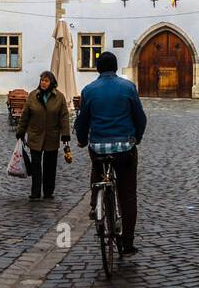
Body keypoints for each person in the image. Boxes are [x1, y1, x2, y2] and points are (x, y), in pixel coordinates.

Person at [73, 51, 146, 255]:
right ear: (115, 67)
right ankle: (127, 243)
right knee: (128, 194)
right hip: (124, 148)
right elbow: (140, 117)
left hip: (98, 147)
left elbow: (82, 120)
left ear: (98, 68)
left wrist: (81, 139)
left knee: (97, 166)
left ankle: (95, 200)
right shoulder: (128, 87)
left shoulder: (89, 90)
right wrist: (137, 137)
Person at [16, 70, 71, 200]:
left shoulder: (59, 97)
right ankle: (35, 192)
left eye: (46, 81)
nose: (43, 83)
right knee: (35, 166)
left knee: (50, 167)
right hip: (35, 136)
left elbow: (64, 117)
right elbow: (25, 115)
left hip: (52, 136)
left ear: (52, 83)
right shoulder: (33, 96)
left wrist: (65, 135)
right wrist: (20, 132)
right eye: (42, 80)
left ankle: (48, 192)